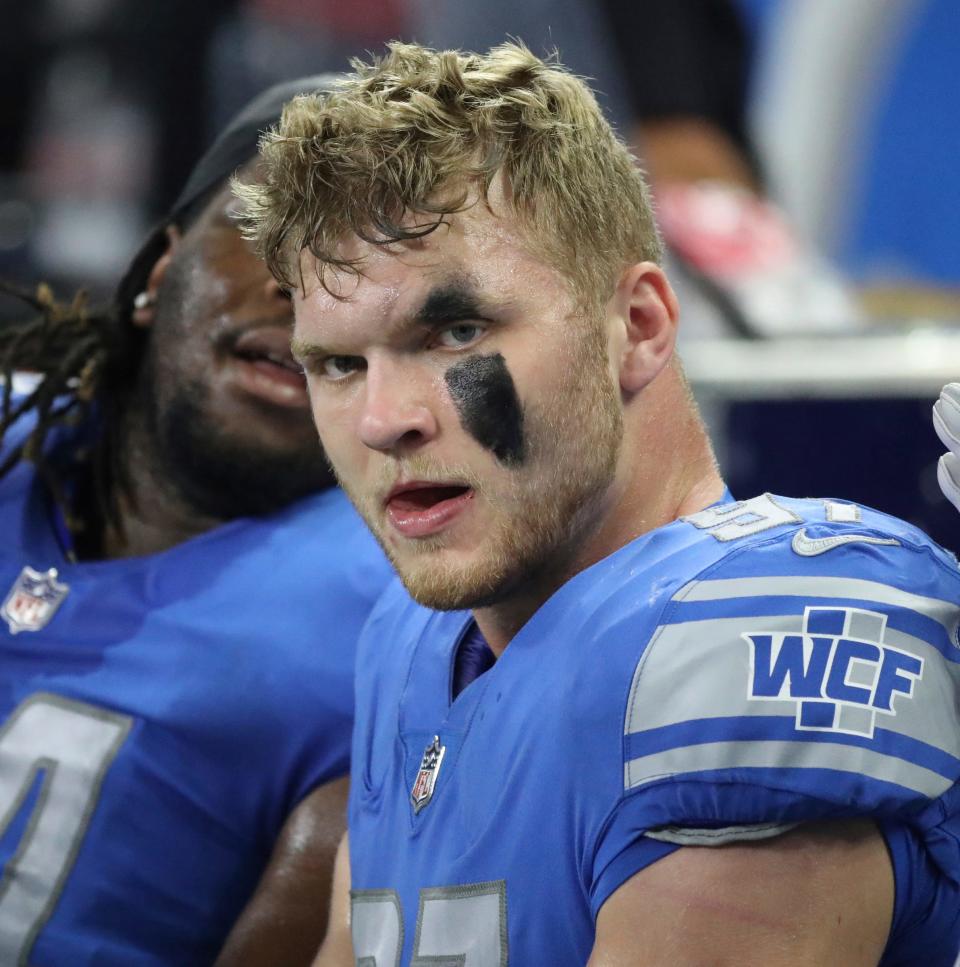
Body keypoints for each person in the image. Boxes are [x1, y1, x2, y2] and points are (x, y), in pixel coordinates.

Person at [240, 43, 960, 965]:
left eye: (456, 331)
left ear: (641, 326)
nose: (383, 420)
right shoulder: (413, 637)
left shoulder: (746, 635)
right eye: (338, 364)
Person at [0, 75, 392, 966]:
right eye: (270, 227)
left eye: (380, 264)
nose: (315, 287)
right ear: (160, 270)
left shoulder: (395, 633)